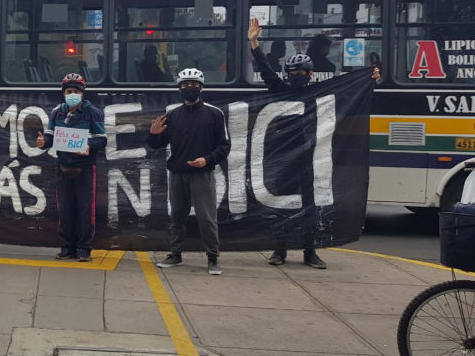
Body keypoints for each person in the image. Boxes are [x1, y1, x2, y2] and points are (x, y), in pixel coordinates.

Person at [249, 18, 379, 269]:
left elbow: (350, 90)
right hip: (285, 158)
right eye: (292, 74)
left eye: (300, 74)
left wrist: (370, 78)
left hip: (310, 159)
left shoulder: (320, 93)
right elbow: (265, 68)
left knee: (310, 208)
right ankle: (280, 250)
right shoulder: (280, 89)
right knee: (283, 205)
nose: (296, 77)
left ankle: (310, 252)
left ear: (310, 74)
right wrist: (254, 42)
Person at [148, 68, 230, 275]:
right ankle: (175, 254)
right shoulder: (172, 115)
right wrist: (153, 135)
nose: (189, 88)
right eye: (185, 85)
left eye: (193, 85)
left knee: (206, 217)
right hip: (177, 174)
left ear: (201, 88)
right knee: (177, 216)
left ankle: (213, 258)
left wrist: (207, 160)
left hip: (202, 175)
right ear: (179, 89)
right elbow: (157, 144)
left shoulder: (214, 114)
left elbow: (224, 146)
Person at [35, 73, 107, 262]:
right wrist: (43, 143)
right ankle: (68, 246)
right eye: (69, 91)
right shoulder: (57, 112)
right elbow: (50, 138)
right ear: (63, 93)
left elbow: (102, 139)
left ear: (83, 93)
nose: (72, 94)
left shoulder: (93, 113)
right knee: (65, 209)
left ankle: (84, 248)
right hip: (63, 167)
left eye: (76, 91)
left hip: (85, 168)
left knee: (85, 209)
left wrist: (89, 146)